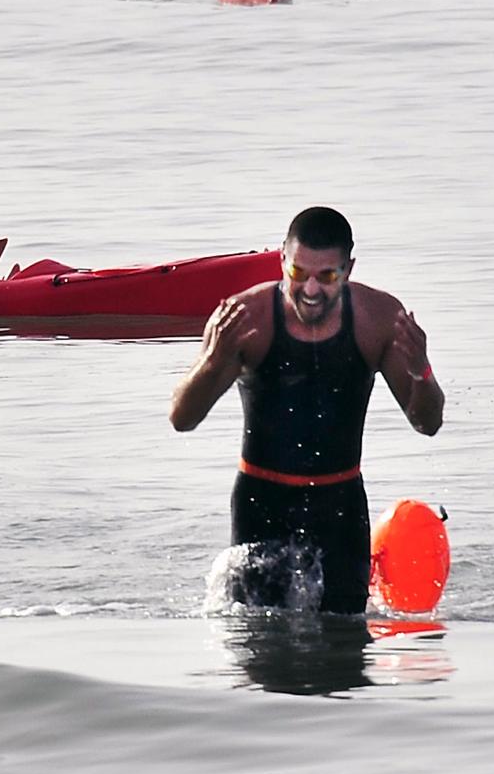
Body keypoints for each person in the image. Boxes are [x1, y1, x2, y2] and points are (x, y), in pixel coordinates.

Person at [169, 206, 443, 615]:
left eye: (327, 276)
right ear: (282, 259)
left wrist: (421, 370)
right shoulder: (247, 320)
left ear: (348, 269)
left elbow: (428, 424)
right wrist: (212, 362)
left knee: (345, 653)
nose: (311, 289)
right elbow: (182, 419)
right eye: (298, 273)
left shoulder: (379, 320)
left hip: (341, 506)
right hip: (262, 503)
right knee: (259, 649)